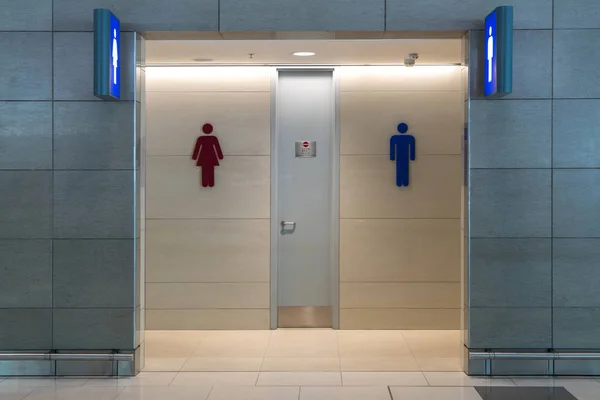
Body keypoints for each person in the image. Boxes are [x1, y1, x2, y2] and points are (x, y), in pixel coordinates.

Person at [192, 123, 223, 187]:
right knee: (210, 170)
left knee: (205, 170)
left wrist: (194, 157)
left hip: (203, 156)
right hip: (211, 156)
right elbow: (218, 148)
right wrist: (220, 156)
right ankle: (209, 183)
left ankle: (206, 183)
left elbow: (197, 148)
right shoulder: (213, 138)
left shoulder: (201, 138)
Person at [390, 123, 416, 187]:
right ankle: (405, 182)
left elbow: (392, 148)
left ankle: (399, 182)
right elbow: (412, 148)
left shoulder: (394, 138)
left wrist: (392, 156)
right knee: (405, 168)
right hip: (405, 156)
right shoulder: (410, 138)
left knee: (399, 168)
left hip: (399, 156)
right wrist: (412, 156)